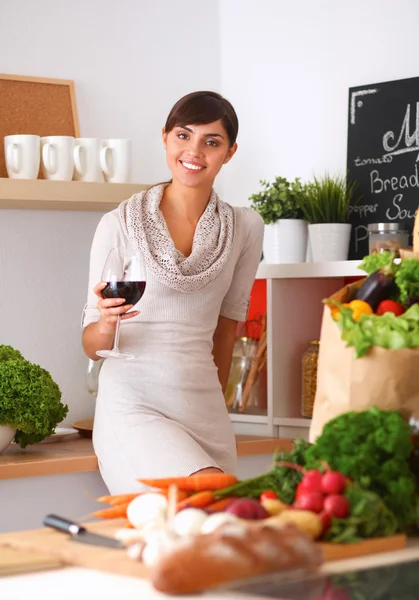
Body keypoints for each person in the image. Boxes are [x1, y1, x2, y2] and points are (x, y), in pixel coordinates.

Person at [82, 91, 264, 494]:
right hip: (134, 403)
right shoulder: (119, 225)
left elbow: (226, 328)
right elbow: (92, 346)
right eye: (183, 135)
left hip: (203, 408)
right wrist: (108, 321)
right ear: (165, 137)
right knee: (207, 496)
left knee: (215, 532)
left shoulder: (244, 229)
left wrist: (217, 400)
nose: (194, 151)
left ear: (230, 152)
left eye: (211, 142)